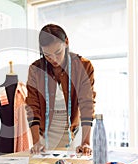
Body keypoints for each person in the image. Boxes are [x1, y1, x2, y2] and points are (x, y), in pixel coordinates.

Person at [25, 24, 96, 155]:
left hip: (74, 132)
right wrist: (36, 141)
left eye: (58, 52)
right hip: (45, 134)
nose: (54, 59)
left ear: (66, 42)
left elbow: (87, 105)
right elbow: (32, 107)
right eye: (47, 55)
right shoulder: (35, 70)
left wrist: (86, 142)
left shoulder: (83, 66)